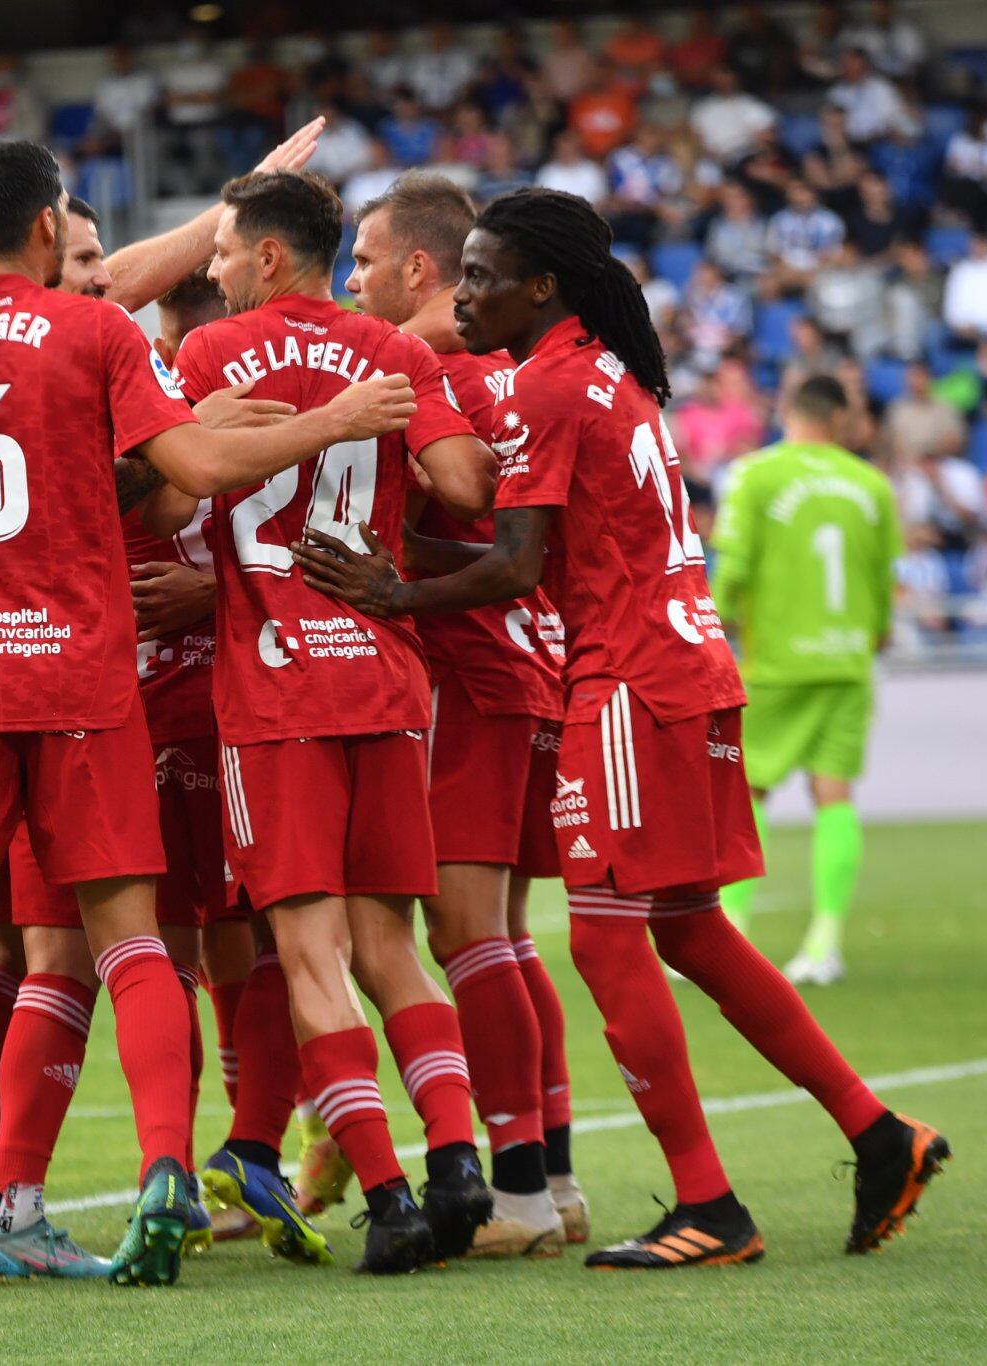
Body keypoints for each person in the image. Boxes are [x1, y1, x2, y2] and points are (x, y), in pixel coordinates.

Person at [291, 187, 951, 1269]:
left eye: (482, 275)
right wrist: (408, 559)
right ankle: (878, 1133)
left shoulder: (544, 389)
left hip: (628, 681)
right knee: (688, 928)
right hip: (686, 667)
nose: (463, 293)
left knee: (601, 934)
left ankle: (707, 1203)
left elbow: (513, 565)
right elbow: (543, 555)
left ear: (538, 285)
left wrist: (388, 590)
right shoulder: (609, 370)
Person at [0, 139, 416, 1289]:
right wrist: (330, 422)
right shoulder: (95, 336)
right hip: (86, 685)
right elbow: (190, 461)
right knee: (133, 942)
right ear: (47, 226)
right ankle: (159, 1181)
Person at [164, 169, 496, 1275]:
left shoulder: (208, 357)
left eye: (218, 251)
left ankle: (390, 1194)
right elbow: (461, 484)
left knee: (306, 953)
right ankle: (457, 1160)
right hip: (387, 681)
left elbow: (167, 495)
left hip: (273, 689)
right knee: (390, 946)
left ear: (264, 257)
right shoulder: (398, 354)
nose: (207, 270)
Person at [341, 171, 588, 1255]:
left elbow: (465, 530)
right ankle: (559, 1177)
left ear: (418, 268)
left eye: (363, 260)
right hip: (534, 667)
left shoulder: (426, 369)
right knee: (505, 937)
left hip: (469, 670)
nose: (353, 281)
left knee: (462, 932)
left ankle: (522, 1190)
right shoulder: (506, 360)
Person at [710, 377, 902, 987]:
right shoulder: (872, 485)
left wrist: (712, 632)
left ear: (787, 412)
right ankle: (824, 941)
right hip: (847, 660)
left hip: (777, 664)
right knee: (834, 795)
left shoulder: (756, 476)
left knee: (751, 792)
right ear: (841, 418)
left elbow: (733, 566)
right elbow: (881, 582)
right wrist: (870, 636)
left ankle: (733, 932)